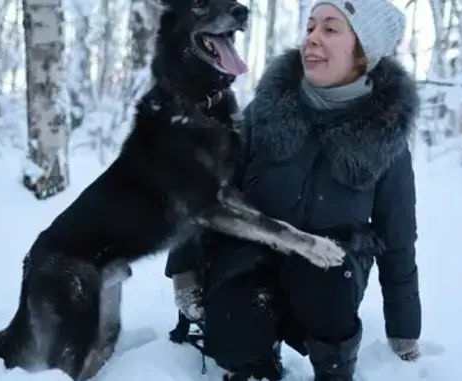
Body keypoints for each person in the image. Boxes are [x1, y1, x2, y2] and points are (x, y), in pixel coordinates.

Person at [166, 0, 422, 380]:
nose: (312, 39)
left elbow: (397, 236)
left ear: (364, 51)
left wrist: (404, 330)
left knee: (327, 276)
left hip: (330, 276)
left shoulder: (386, 137)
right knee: (235, 325)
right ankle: (255, 363)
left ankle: (333, 366)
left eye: (331, 29)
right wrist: (185, 273)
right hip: (253, 253)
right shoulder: (266, 109)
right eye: (311, 27)